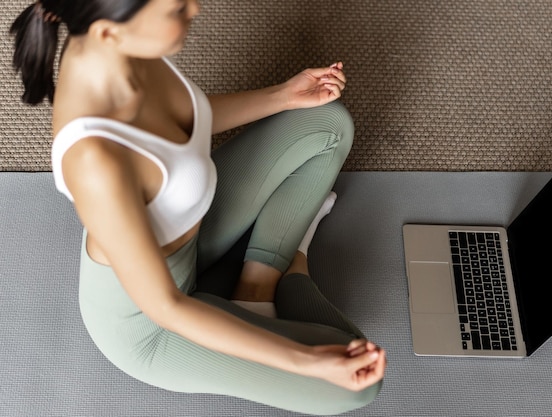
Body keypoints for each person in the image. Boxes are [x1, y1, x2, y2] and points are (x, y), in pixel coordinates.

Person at [10, 0, 386, 414]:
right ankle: (287, 263)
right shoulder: (95, 161)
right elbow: (166, 306)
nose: (196, 9)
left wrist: (283, 96)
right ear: (109, 30)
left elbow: (186, 120)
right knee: (358, 383)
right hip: (153, 322)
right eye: (176, 9)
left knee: (327, 122)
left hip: (193, 225)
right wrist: (307, 361)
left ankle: (257, 285)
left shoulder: (116, 46)